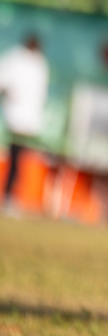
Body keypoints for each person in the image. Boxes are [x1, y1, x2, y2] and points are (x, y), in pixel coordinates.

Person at [0, 34, 49, 211]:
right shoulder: (21, 60)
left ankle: (11, 196)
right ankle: (9, 196)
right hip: (20, 119)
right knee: (16, 160)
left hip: (23, 120)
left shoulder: (33, 62)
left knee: (18, 160)